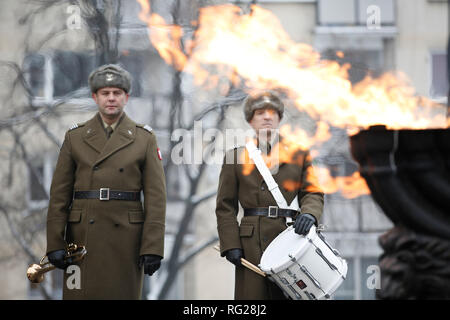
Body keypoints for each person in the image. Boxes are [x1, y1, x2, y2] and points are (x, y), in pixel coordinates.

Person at [45, 64, 166, 299]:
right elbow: (59, 195)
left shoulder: (144, 139)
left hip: (126, 239)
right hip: (80, 240)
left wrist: (153, 246)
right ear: (95, 97)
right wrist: (54, 243)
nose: (111, 98)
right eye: (105, 93)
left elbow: (156, 198)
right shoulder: (75, 137)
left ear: (126, 97)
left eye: (117, 93)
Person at [215, 91, 324, 299]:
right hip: (250, 245)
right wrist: (231, 244)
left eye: (272, 112)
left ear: (279, 118)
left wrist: (310, 214)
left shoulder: (299, 154)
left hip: (289, 238)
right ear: (250, 120)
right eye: (260, 113)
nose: (267, 117)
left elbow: (312, 192)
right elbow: (225, 207)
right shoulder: (235, 157)